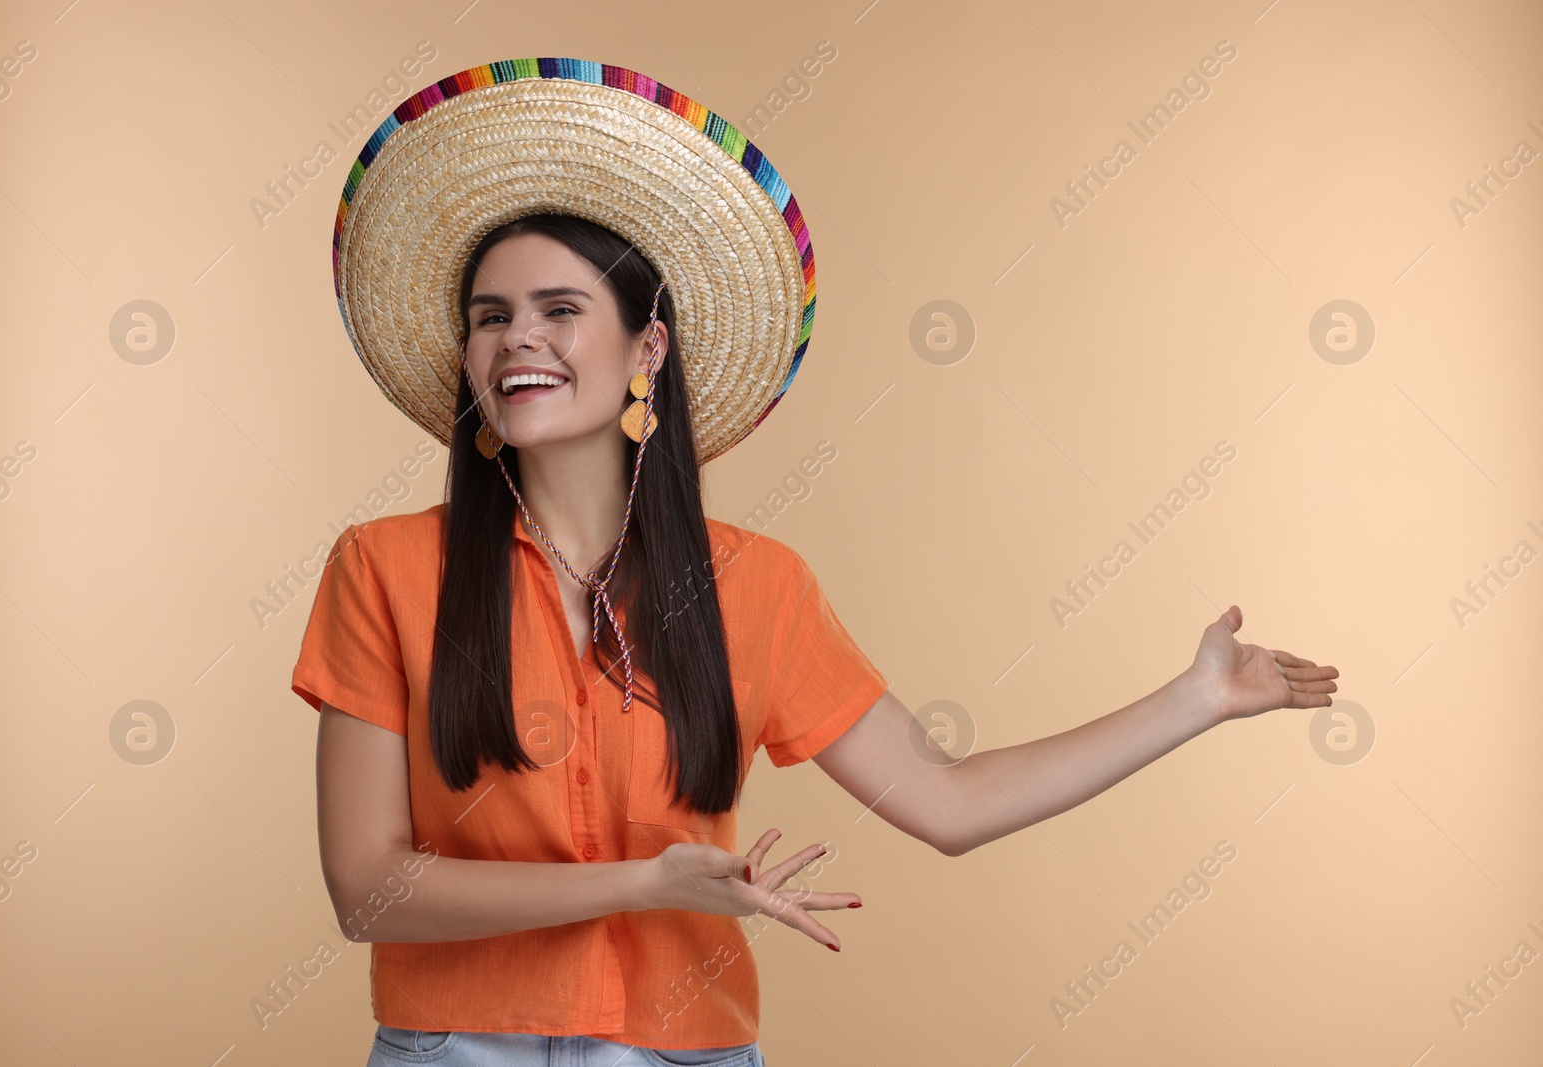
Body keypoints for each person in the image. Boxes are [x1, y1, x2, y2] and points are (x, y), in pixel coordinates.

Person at [291, 59, 1339, 1067]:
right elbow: (367, 888)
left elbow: (949, 801)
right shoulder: (384, 567)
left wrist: (1193, 697)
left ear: (646, 350)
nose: (518, 338)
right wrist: (641, 882)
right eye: (490, 317)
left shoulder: (758, 585)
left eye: (559, 310)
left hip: (687, 1052)